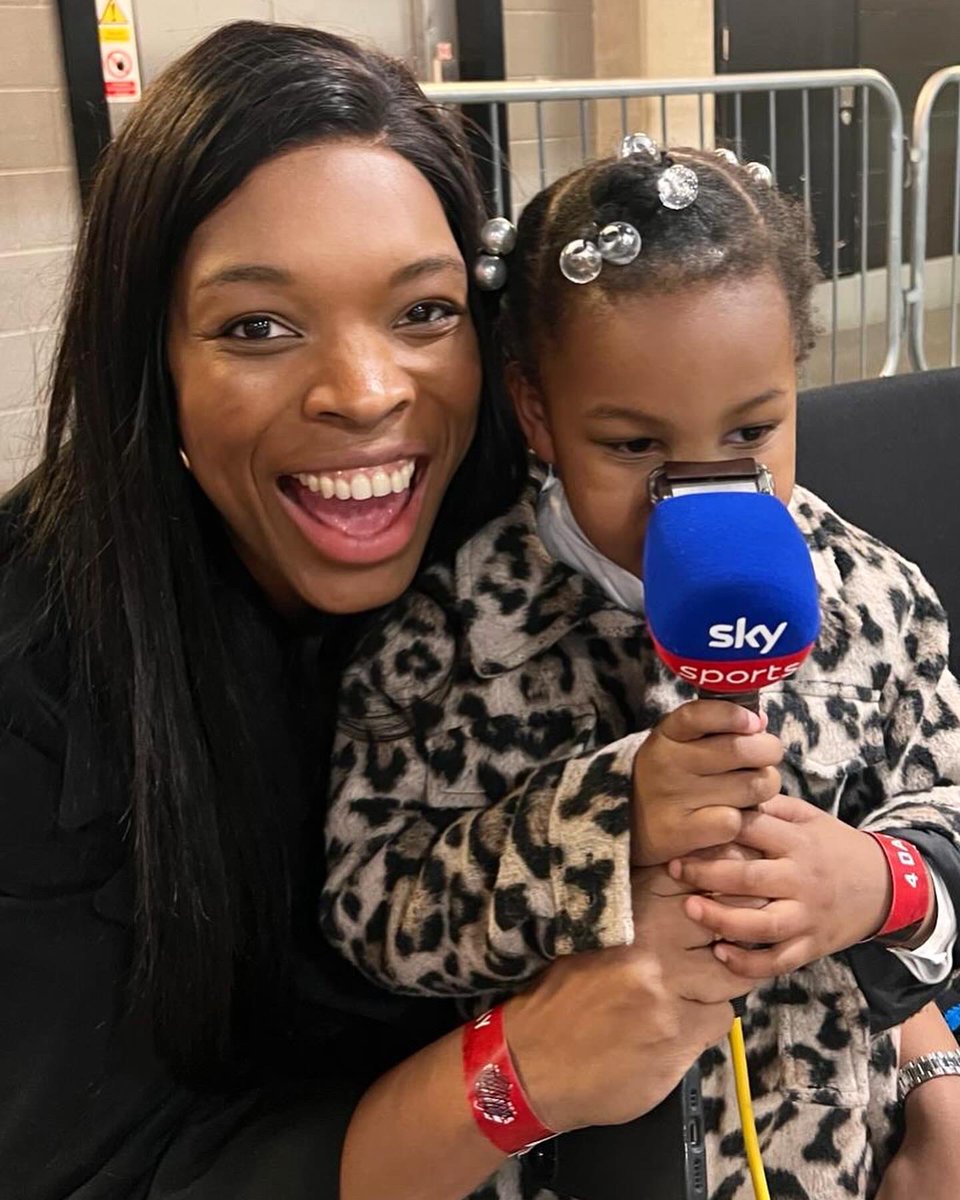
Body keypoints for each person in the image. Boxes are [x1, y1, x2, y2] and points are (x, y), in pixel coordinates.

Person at [0, 28, 756, 1200]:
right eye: (257, 326)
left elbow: (809, 767)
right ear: (146, 358)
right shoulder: (33, 670)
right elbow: (91, 1168)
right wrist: (516, 1075)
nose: (364, 393)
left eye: (422, 313)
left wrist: (926, 1067)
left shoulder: (535, 510)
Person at [322, 142, 960, 1198]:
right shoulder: (442, 644)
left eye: (752, 429)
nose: (699, 485)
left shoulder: (882, 600)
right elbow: (373, 913)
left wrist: (873, 884)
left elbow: (947, 814)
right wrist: (605, 821)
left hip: (840, 1157)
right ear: (538, 413)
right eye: (632, 446)